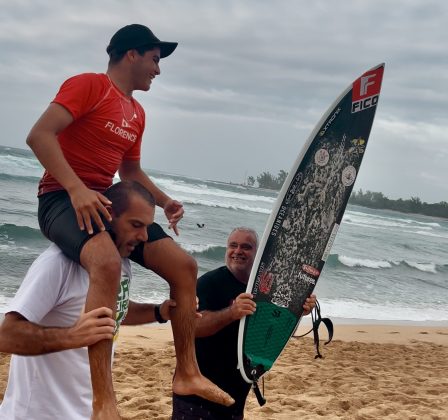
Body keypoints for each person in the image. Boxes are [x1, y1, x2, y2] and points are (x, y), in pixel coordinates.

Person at [25, 24, 232, 418]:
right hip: (59, 199)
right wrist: (75, 189)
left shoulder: (137, 112)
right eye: (155, 59)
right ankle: (103, 401)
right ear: (131, 54)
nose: (158, 69)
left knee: (185, 267)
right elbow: (40, 135)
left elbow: (130, 171)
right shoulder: (89, 85)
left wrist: (165, 200)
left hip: (107, 203)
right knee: (105, 263)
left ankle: (187, 371)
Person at [0, 181, 177, 419]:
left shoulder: (119, 264)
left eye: (147, 227)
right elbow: (7, 335)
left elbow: (112, 313)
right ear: (107, 216)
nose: (144, 236)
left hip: (88, 411)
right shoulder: (58, 263)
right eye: (136, 225)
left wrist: (158, 313)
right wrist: (72, 337)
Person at [172, 227, 317, 419]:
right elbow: (191, 328)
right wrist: (231, 313)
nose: (238, 251)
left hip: (235, 397)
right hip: (197, 397)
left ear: (258, 255)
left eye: (246, 247)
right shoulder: (209, 283)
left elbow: (273, 336)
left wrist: (298, 312)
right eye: (233, 245)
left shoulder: (266, 291)